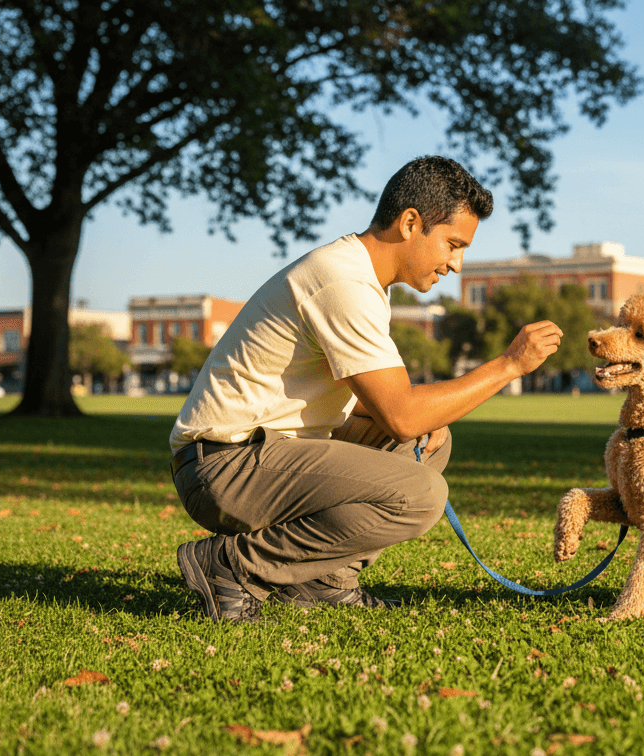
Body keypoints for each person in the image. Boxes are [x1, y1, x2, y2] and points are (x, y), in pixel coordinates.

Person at [168, 156, 562, 622]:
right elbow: (402, 413)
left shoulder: (363, 279)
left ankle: (325, 582)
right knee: (421, 493)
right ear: (410, 223)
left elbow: (382, 411)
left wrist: (418, 421)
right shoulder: (342, 281)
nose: (456, 264)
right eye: (453, 244)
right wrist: (510, 365)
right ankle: (232, 566)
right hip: (222, 467)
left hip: (266, 452)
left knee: (427, 442)